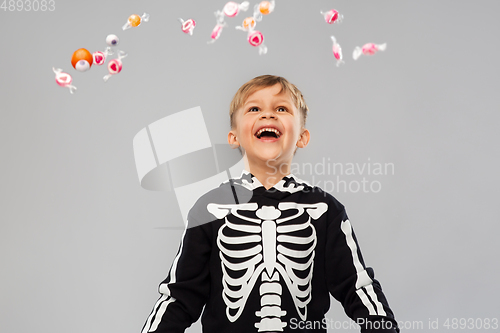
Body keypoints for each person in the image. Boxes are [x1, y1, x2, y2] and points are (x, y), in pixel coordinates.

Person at [141, 75, 399, 333]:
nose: (268, 116)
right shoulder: (209, 209)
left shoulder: (325, 210)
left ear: (302, 137)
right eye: (254, 109)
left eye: (281, 109)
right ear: (233, 137)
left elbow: (358, 287)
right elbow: (179, 297)